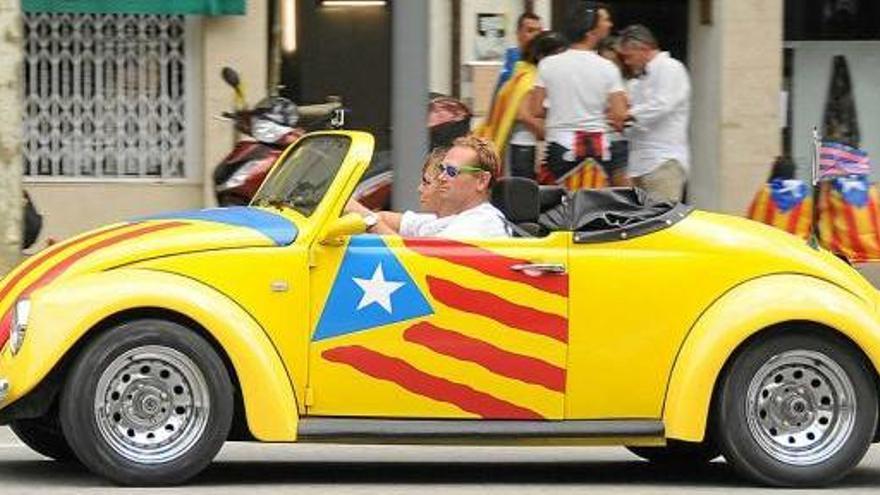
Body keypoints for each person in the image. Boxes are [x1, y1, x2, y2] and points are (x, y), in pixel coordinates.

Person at [529, 1, 628, 189]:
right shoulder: (608, 68)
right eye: (605, 21)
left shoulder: (548, 64)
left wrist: (560, 107)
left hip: (560, 145)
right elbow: (620, 113)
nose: (610, 24)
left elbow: (535, 109)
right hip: (598, 148)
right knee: (593, 208)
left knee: (559, 209)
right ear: (590, 31)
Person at [346, 136, 511, 238]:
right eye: (442, 169)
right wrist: (354, 212)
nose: (441, 177)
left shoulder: (481, 223)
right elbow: (387, 218)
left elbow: (415, 260)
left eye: (452, 171)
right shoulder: (446, 221)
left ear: (482, 180)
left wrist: (368, 220)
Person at [478, 31, 567, 178]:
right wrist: (552, 134)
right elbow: (524, 115)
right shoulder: (530, 79)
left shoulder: (524, 73)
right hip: (523, 147)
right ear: (542, 56)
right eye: (558, 55)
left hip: (523, 147)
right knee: (523, 194)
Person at [618, 24, 691, 202]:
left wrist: (627, 116)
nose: (627, 62)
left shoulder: (670, 67)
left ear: (643, 48)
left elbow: (662, 104)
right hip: (639, 162)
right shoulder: (637, 81)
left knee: (661, 220)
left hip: (663, 160)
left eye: (629, 56)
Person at [493, 12, 543, 97]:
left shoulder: (544, 61)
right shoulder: (511, 63)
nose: (536, 35)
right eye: (530, 31)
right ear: (518, 33)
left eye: (539, 31)